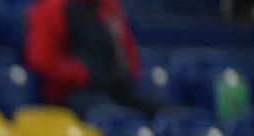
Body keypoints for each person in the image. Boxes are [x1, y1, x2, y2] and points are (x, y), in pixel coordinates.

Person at [25, 0, 163, 117]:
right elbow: (41, 60)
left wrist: (126, 74)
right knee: (112, 116)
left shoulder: (109, 7)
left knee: (160, 111)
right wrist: (81, 74)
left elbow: (128, 49)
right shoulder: (51, 9)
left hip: (115, 87)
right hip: (73, 93)